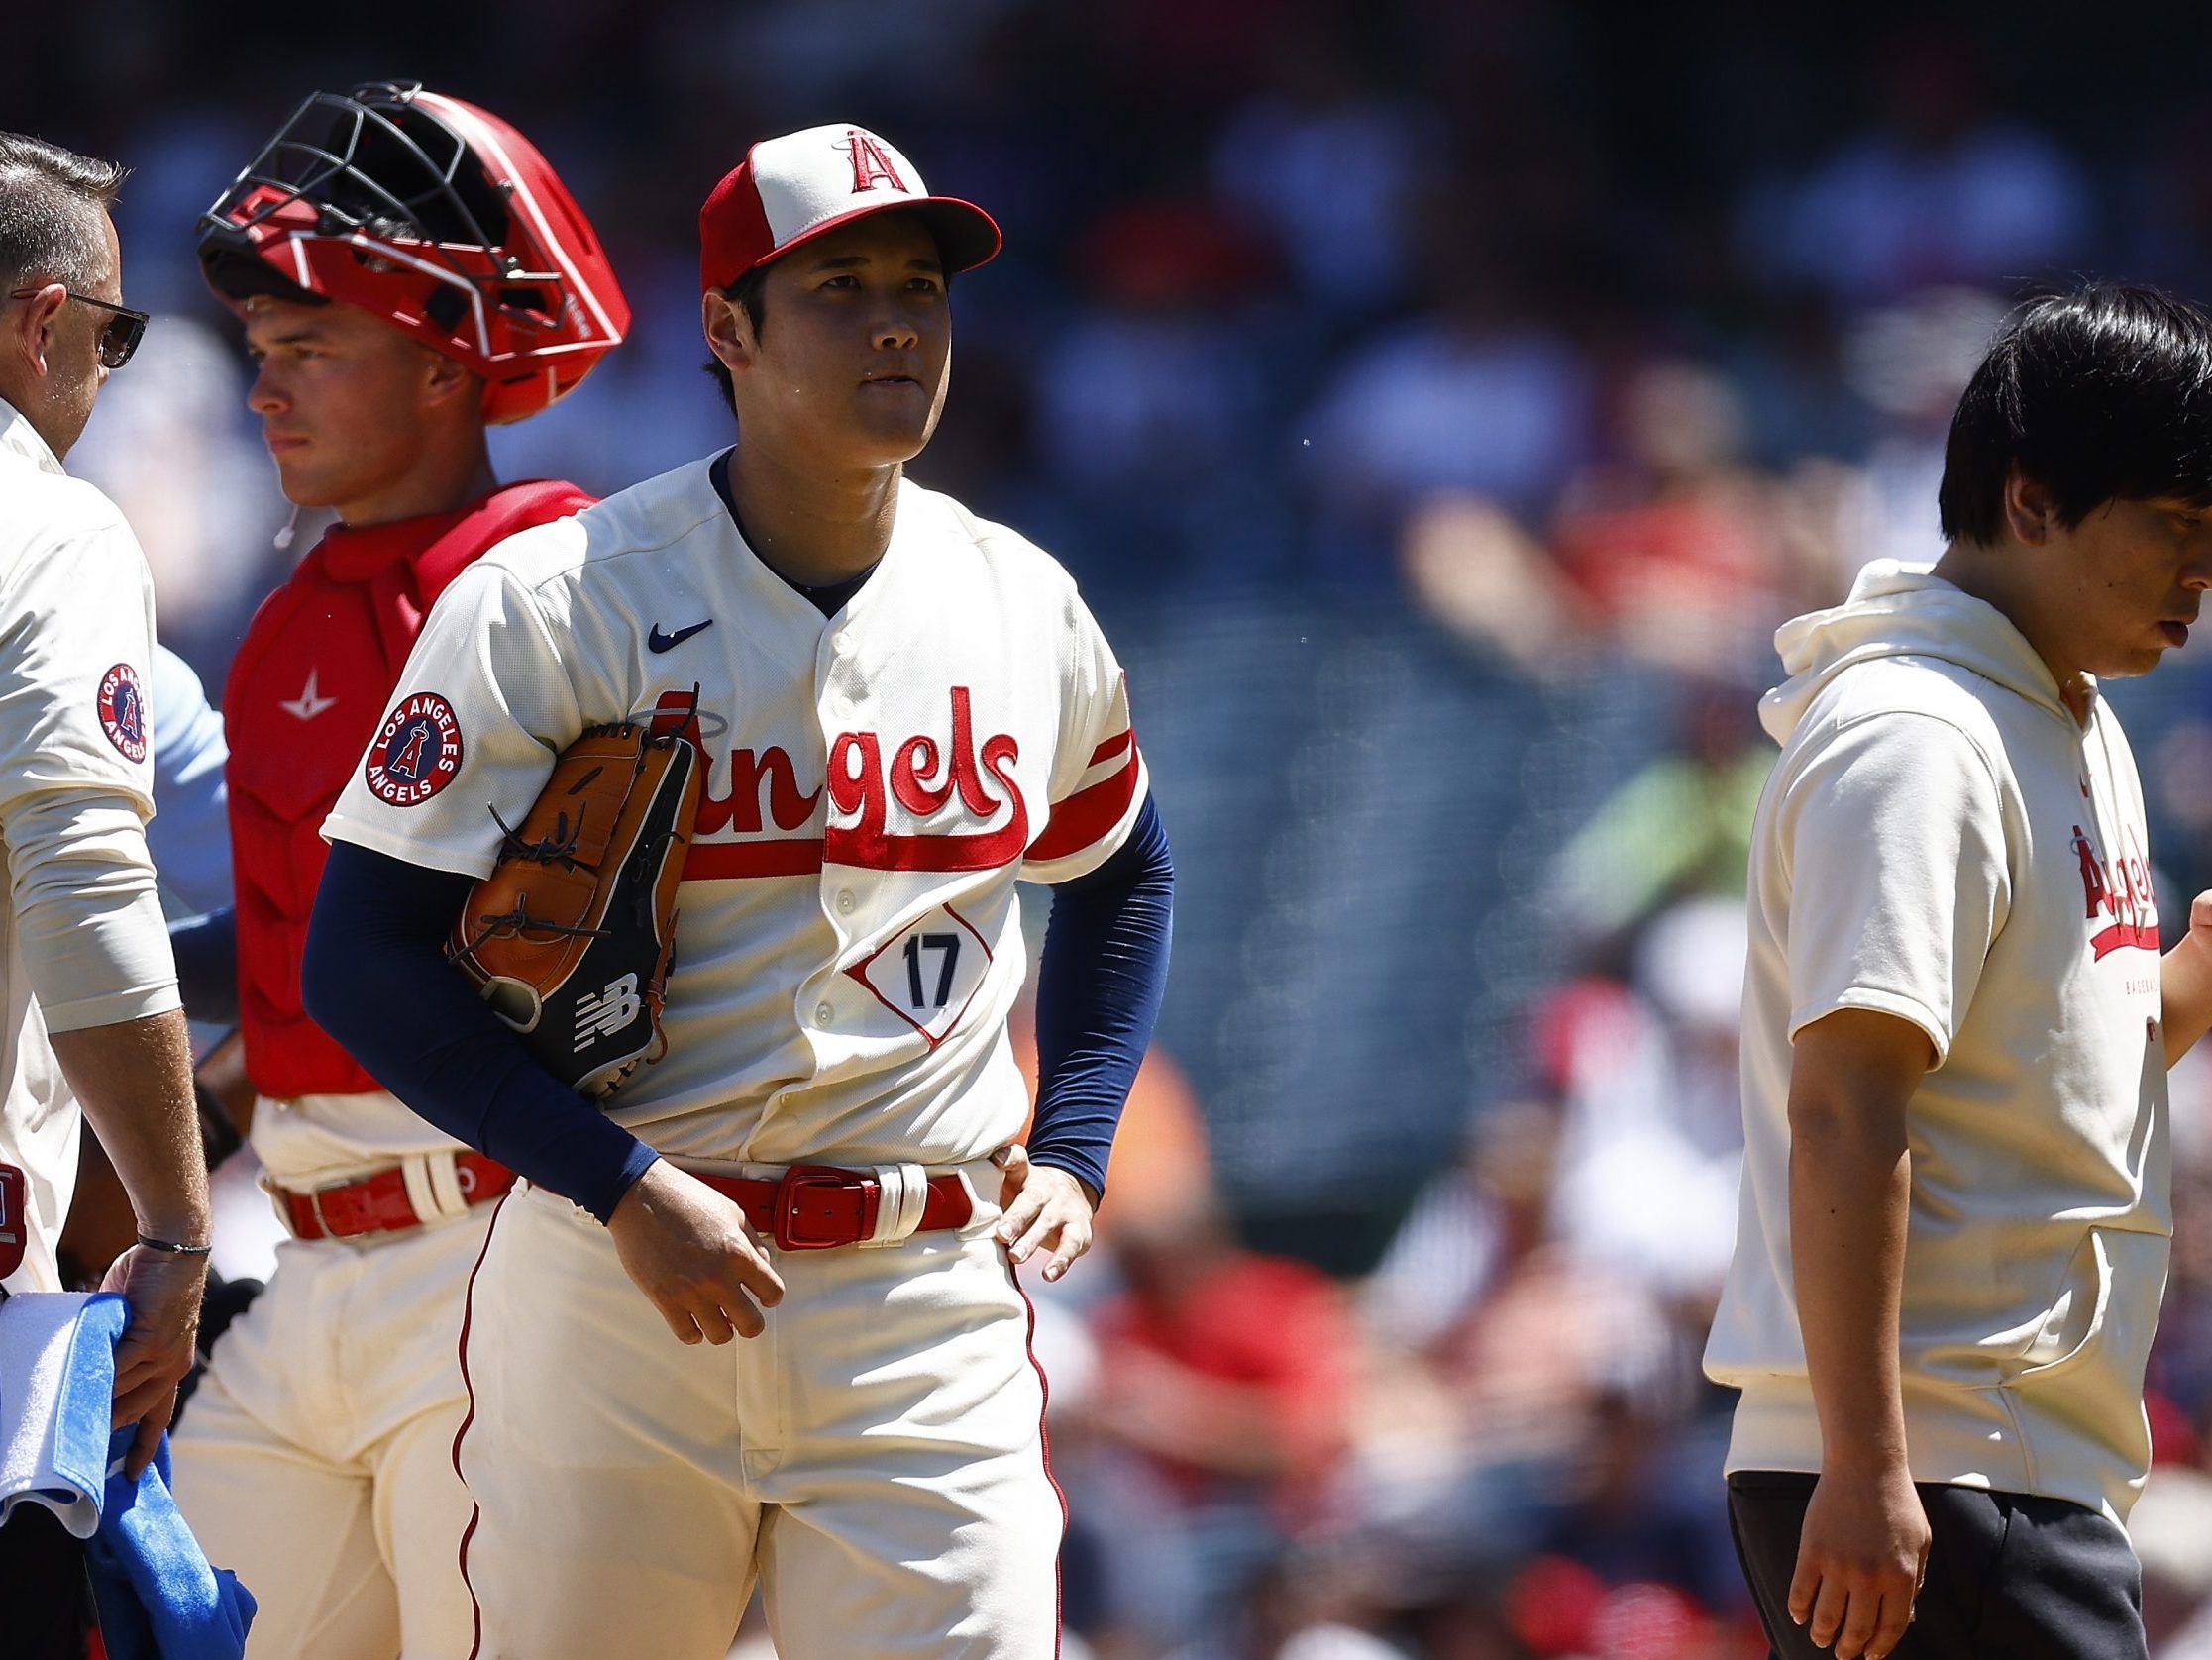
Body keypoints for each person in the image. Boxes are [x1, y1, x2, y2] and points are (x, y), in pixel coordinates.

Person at [303, 121, 1174, 1657]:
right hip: (617, 1285)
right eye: (839, 287)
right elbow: (362, 958)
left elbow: (1122, 873)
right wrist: (614, 1182)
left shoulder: (1018, 601)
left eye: (922, 284)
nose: (899, 320)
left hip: (921, 1300)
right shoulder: (564, 599)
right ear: (727, 327)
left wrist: (1081, 1140)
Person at [162, 82, 627, 1659]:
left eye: (310, 354)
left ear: (444, 367)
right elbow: (301, 947)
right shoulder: (296, 603)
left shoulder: (561, 582)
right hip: (307, 1263)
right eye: (259, 356)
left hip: (503, 1256)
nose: (263, 396)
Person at [1706, 284, 2212, 1660]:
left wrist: (2198, 974)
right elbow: (1845, 1109)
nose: (2197, 576)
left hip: (2004, 1462)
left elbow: (2051, 1072)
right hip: (1929, 1466)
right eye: (2170, 528)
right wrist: (1866, 1468)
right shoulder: (1915, 737)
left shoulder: (2064, 714)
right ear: (2031, 499)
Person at [0, 130, 213, 1657]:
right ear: (43, 319)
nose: (108, 374)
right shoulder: (49, 524)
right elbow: (83, 887)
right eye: (116, 336)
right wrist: (176, 1229)